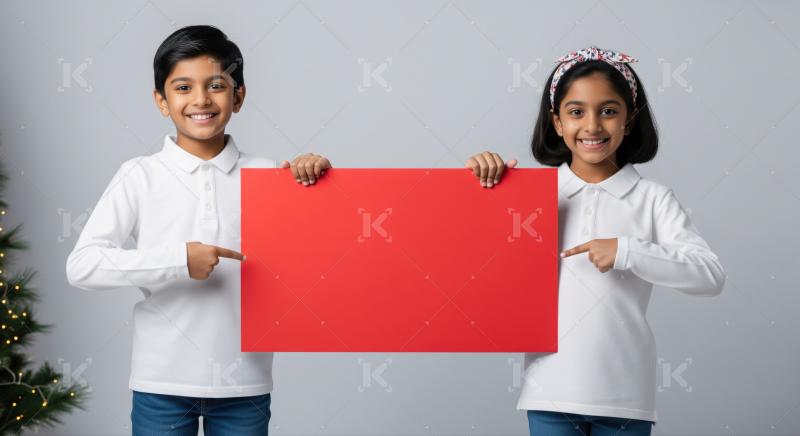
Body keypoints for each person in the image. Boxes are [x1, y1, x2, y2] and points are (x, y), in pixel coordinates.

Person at [66, 25, 331, 435]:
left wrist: (314, 180)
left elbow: (325, 258)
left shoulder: (271, 175)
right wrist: (177, 260)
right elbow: (82, 266)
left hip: (245, 382)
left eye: (217, 85)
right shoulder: (140, 175)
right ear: (161, 101)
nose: (201, 100)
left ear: (238, 96)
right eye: (183, 87)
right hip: (162, 383)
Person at [466, 46, 726, 436]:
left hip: (625, 395)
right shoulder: (532, 194)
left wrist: (627, 251)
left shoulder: (652, 199)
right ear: (556, 122)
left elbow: (709, 276)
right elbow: (466, 261)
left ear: (630, 119)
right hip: (549, 391)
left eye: (608, 110)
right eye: (576, 112)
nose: (593, 125)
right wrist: (485, 186)